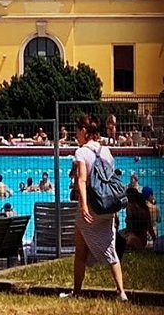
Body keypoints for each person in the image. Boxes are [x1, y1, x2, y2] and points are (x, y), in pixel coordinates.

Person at [61, 115, 127, 301]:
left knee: (80, 251)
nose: (75, 134)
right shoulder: (106, 151)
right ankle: (121, 292)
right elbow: (110, 180)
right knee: (110, 250)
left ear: (84, 131)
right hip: (107, 207)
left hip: (91, 207)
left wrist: (83, 206)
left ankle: (76, 292)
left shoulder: (81, 152)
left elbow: (81, 180)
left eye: (77, 131)